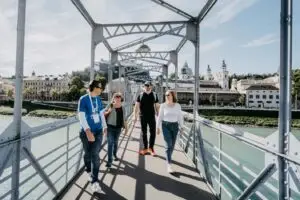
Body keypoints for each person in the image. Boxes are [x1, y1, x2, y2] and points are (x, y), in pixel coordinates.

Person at [78, 80, 107, 192]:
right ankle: (88, 169)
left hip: (98, 131)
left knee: (95, 154)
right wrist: (88, 131)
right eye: (100, 88)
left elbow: (101, 114)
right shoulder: (84, 99)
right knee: (87, 154)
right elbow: (81, 116)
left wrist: (104, 126)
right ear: (94, 88)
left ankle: (94, 181)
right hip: (86, 133)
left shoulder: (99, 99)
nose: (101, 90)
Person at [156, 90, 183, 173]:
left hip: (175, 126)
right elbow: (160, 117)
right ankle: (169, 165)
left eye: (168, 95)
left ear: (172, 96)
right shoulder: (163, 105)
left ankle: (168, 158)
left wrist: (181, 127)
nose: (167, 96)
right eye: (166, 95)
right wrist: (157, 127)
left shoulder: (177, 105)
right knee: (168, 144)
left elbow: (180, 117)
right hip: (166, 126)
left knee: (172, 145)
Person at [134, 81, 160, 156]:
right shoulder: (141, 95)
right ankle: (145, 148)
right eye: (146, 85)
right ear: (144, 86)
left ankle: (151, 148)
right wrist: (134, 116)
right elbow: (136, 106)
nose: (147, 86)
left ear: (151, 86)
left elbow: (157, 106)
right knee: (144, 132)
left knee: (153, 132)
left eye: (149, 85)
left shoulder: (154, 95)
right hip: (143, 116)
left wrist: (158, 115)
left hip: (152, 116)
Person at [104, 92, 128, 168]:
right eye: (116, 96)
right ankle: (109, 161)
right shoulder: (110, 105)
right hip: (110, 127)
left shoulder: (123, 108)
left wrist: (126, 128)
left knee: (115, 142)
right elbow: (104, 114)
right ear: (113, 98)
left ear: (121, 98)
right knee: (110, 143)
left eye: (119, 97)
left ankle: (114, 154)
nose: (117, 98)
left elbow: (124, 119)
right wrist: (110, 109)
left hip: (118, 128)